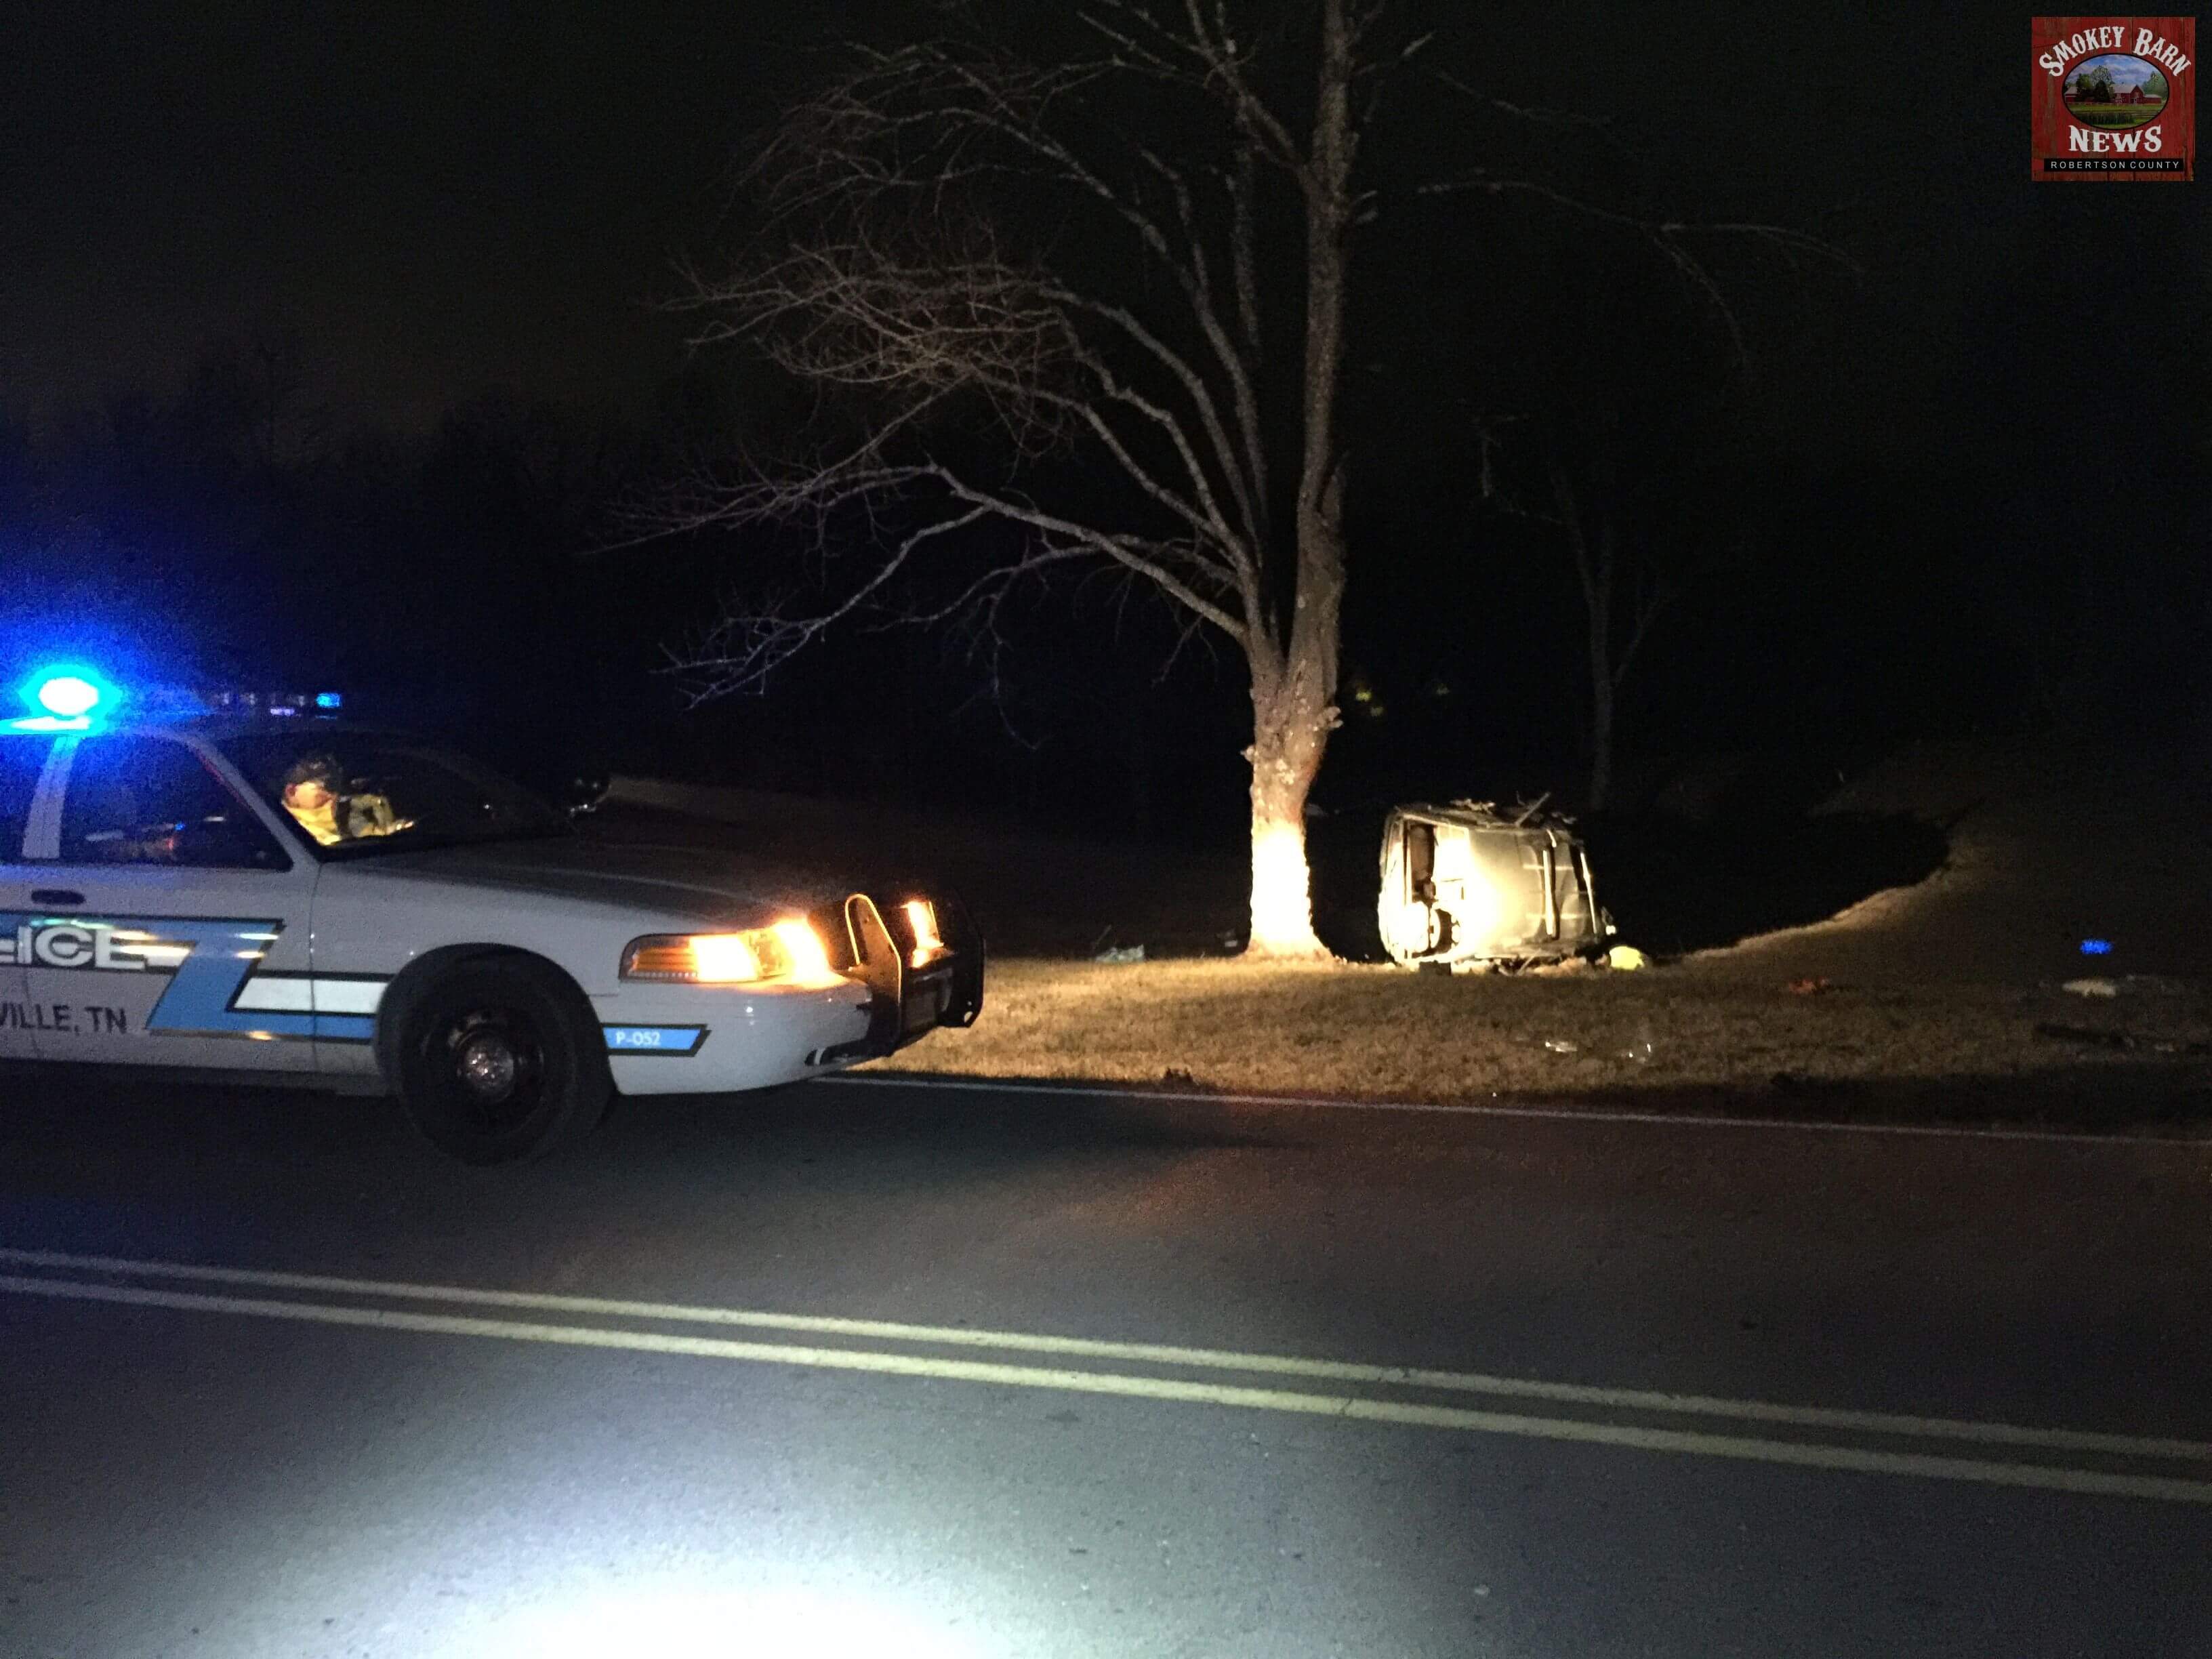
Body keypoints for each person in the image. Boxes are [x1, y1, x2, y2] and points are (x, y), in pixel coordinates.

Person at [280, 752, 412, 845]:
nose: (332, 795)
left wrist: (396, 831)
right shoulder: (279, 827)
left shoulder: (348, 811)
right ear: (292, 791)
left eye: (335, 789)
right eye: (322, 789)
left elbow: (372, 835)